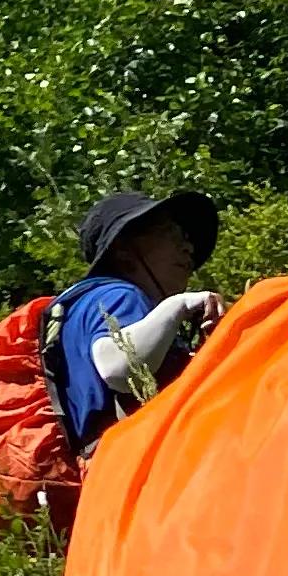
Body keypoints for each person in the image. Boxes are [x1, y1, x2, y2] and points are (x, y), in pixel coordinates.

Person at [54, 186, 225, 454]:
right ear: (124, 249)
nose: (188, 247)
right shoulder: (119, 294)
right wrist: (177, 305)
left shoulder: (79, 306)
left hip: (101, 476)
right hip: (135, 468)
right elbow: (119, 366)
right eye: (170, 234)